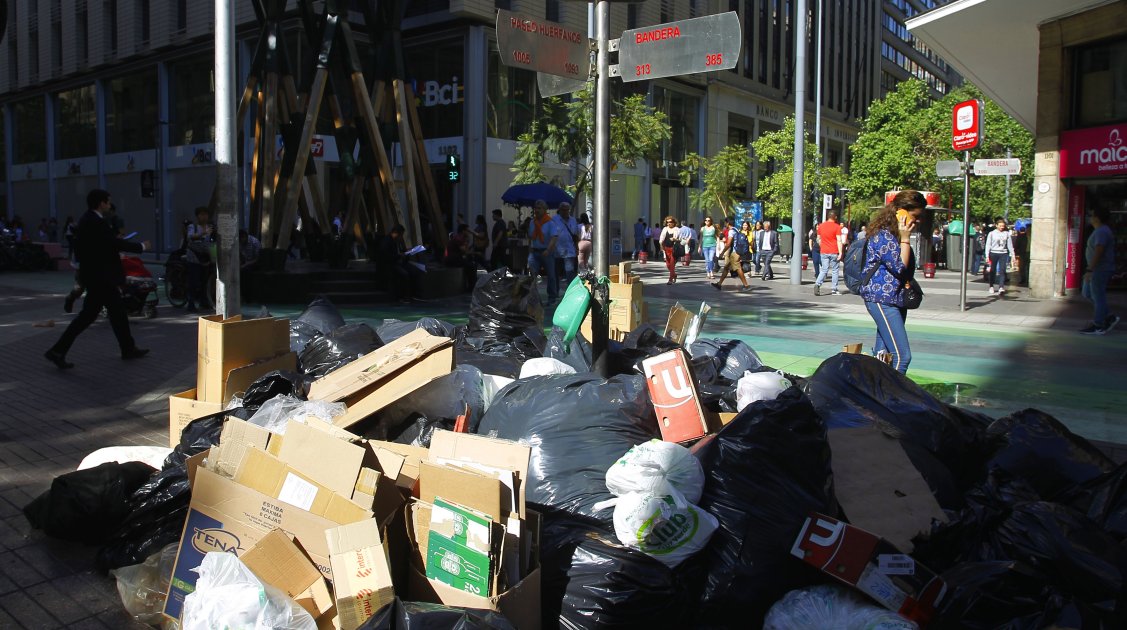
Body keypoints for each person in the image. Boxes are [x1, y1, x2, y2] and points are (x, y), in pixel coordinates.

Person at [45, 189, 150, 369]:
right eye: (108, 202)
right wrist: (140, 246)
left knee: (109, 314)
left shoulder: (88, 220)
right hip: (101, 278)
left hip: (97, 277)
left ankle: (127, 348)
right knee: (102, 315)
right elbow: (113, 243)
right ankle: (57, 351)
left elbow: (100, 246)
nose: (109, 205)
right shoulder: (96, 222)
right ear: (101, 203)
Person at [860, 190, 925, 374]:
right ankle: (892, 397)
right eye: (915, 216)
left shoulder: (893, 235)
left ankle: (875, 391)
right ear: (900, 212)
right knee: (901, 357)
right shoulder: (884, 236)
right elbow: (900, 267)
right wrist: (905, 239)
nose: (917, 221)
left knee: (883, 355)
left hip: (894, 299)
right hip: (882, 299)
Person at [1081, 207, 1119, 335]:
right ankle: (1109, 316)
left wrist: (1090, 269)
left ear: (1097, 218)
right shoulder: (1100, 230)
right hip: (1097, 269)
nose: (1090, 217)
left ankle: (1099, 325)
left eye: (1091, 215)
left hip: (1099, 269)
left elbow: (1099, 250)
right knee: (1087, 293)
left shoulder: (1101, 232)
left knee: (1098, 297)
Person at [375, 224, 420, 302]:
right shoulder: (387, 241)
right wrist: (399, 256)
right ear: (396, 233)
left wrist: (405, 253)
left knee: (413, 270)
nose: (401, 237)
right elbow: (387, 256)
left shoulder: (394, 241)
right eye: (401, 235)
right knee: (405, 274)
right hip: (389, 264)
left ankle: (413, 294)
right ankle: (405, 296)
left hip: (395, 262)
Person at [527, 200, 560, 303]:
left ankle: (552, 297)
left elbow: (554, 237)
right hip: (534, 252)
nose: (537, 210)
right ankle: (532, 297)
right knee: (532, 275)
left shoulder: (550, 223)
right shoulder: (532, 222)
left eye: (539, 208)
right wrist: (530, 247)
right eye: (536, 208)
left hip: (547, 252)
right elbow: (531, 236)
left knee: (551, 275)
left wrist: (548, 249)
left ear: (545, 210)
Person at [711, 217, 751, 292]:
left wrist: (722, 252)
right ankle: (719, 284)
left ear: (728, 223)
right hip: (736, 252)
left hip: (734, 252)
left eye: (725, 223)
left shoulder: (731, 231)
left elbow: (728, 244)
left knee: (738, 268)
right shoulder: (736, 229)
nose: (725, 224)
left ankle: (746, 285)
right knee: (726, 268)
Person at [814, 212, 845, 295]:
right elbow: (839, 240)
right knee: (835, 270)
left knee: (824, 269)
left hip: (824, 251)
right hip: (834, 251)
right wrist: (840, 252)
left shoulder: (821, 226)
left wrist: (822, 246)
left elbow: (818, 239)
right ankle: (834, 289)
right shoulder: (837, 227)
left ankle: (817, 284)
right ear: (835, 217)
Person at [552, 203, 580, 290]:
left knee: (570, 273)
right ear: (560, 210)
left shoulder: (573, 220)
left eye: (567, 210)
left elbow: (575, 235)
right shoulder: (554, 219)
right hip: (556, 250)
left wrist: (576, 248)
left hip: (569, 251)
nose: (565, 212)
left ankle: (570, 292)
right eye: (563, 210)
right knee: (555, 273)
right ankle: (555, 292)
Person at [985, 218, 1015, 295]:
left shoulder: (1007, 233)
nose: (1002, 227)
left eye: (1003, 226)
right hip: (993, 253)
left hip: (1003, 253)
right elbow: (988, 244)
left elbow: (1010, 245)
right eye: (1000, 226)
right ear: (996, 225)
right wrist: (987, 255)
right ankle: (991, 286)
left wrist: (1013, 254)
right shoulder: (991, 233)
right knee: (993, 270)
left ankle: (1001, 287)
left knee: (1002, 270)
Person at [445, 224, 478, 292]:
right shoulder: (459, 238)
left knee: (470, 264)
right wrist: (468, 242)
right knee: (471, 266)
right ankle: (472, 288)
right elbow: (465, 251)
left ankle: (470, 286)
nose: (468, 232)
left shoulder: (458, 237)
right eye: (467, 230)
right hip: (453, 259)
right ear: (463, 231)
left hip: (454, 258)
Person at [658, 216, 681, 284]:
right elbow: (661, 239)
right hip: (666, 249)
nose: (669, 223)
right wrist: (661, 247)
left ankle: (670, 279)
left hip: (674, 249)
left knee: (672, 264)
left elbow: (681, 239)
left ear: (674, 223)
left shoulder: (677, 229)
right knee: (668, 265)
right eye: (667, 222)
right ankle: (674, 275)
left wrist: (675, 239)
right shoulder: (665, 229)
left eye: (670, 222)